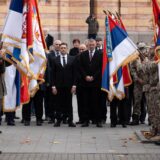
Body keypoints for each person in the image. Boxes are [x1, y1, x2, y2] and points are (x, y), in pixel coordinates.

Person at [51, 43, 76, 127]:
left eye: (64, 48)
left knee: (69, 104)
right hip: (58, 86)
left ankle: (70, 121)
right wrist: (53, 86)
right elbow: (52, 74)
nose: (63, 49)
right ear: (59, 49)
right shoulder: (55, 59)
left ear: (67, 49)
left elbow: (74, 73)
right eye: (61, 48)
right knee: (58, 104)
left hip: (69, 86)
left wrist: (74, 85)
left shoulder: (72, 59)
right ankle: (58, 120)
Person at [79, 39, 102, 127]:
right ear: (87, 45)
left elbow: (100, 68)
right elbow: (80, 67)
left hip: (96, 82)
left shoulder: (100, 54)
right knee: (86, 102)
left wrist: (93, 77)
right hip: (85, 82)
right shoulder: (83, 54)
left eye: (93, 45)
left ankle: (98, 120)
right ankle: (86, 120)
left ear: (95, 45)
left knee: (96, 102)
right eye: (90, 45)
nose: (91, 46)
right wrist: (85, 76)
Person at [47, 40, 62, 124]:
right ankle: (51, 117)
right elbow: (48, 69)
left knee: (61, 100)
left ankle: (62, 117)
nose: (58, 46)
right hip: (52, 81)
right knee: (51, 101)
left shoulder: (65, 55)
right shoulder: (49, 55)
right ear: (53, 45)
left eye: (59, 44)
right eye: (56, 44)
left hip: (62, 81)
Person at [75, 44, 87, 124]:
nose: (82, 51)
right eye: (80, 49)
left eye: (83, 49)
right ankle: (81, 119)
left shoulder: (88, 57)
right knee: (80, 102)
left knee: (87, 102)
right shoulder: (76, 58)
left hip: (87, 83)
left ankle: (88, 118)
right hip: (79, 84)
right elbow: (75, 70)